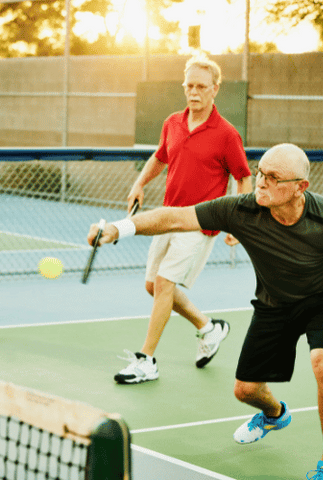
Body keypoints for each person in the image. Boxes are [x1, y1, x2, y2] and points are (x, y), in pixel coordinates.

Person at [88, 143, 323, 479]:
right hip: (274, 304)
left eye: (273, 177)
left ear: (301, 187)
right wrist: (118, 229)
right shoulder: (242, 209)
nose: (261, 182)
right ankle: (274, 414)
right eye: (260, 173)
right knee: (245, 390)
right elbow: (176, 216)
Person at [112, 54, 252, 385]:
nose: (194, 92)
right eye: (189, 85)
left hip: (199, 223)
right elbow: (160, 156)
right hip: (167, 216)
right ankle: (208, 327)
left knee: (163, 285)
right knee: (153, 286)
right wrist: (139, 183)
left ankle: (146, 360)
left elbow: (243, 178)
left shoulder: (227, 134)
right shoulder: (172, 122)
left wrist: (237, 221)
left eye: (201, 86)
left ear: (215, 89)